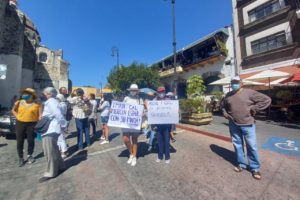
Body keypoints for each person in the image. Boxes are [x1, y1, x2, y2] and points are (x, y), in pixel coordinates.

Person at [221, 76, 271, 180]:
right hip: (233, 124)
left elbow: (266, 100)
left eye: (236, 82)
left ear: (241, 83)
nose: (234, 84)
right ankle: (241, 164)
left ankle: (255, 168)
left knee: (251, 146)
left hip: (247, 124)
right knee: (237, 145)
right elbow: (223, 106)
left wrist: (255, 108)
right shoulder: (228, 95)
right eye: (233, 82)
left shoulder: (249, 92)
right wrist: (225, 113)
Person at [39, 87, 67, 183]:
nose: (44, 95)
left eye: (45, 94)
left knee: (49, 152)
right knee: (54, 150)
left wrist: (64, 125)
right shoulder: (52, 101)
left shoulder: (51, 101)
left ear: (49, 94)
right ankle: (61, 166)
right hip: (51, 129)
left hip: (50, 129)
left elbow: (57, 114)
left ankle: (51, 173)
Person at [11, 88, 42, 167]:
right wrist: (17, 116)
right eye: (24, 93)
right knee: (19, 141)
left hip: (32, 124)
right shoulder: (19, 102)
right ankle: (20, 157)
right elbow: (13, 110)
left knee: (31, 140)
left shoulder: (38, 104)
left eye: (26, 94)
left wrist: (40, 123)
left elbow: (40, 115)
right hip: (20, 123)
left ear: (32, 95)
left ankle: (29, 155)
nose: (24, 95)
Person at [122, 84, 144, 167]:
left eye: (135, 90)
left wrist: (142, 113)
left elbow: (142, 109)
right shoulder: (126, 98)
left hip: (135, 122)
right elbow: (121, 108)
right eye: (132, 90)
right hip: (126, 122)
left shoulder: (139, 99)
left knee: (134, 139)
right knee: (125, 139)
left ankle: (134, 156)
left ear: (137, 91)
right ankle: (131, 153)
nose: (133, 91)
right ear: (130, 90)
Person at [154, 87, 172, 164]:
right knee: (159, 141)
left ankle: (167, 157)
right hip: (158, 125)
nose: (161, 93)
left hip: (167, 125)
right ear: (157, 93)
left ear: (164, 92)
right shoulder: (154, 101)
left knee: (167, 141)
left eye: (162, 92)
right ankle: (160, 156)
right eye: (159, 92)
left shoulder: (169, 100)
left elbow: (172, 110)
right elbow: (151, 111)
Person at [56, 94, 68, 158]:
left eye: (57, 98)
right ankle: (60, 150)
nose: (56, 99)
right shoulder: (62, 104)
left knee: (61, 137)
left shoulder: (62, 104)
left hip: (61, 121)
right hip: (60, 121)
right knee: (59, 138)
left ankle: (64, 151)